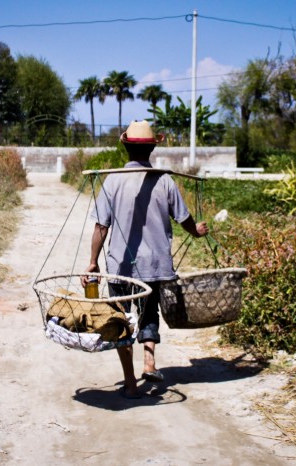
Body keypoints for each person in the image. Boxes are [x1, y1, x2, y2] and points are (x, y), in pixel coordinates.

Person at [82, 120, 209, 399]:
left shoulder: (112, 180)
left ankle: (130, 383)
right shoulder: (164, 180)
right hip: (154, 267)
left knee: (121, 321)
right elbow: (185, 219)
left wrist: (92, 261)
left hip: (121, 270)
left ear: (126, 147)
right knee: (149, 314)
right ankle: (149, 360)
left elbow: (101, 227)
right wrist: (197, 233)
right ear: (153, 148)